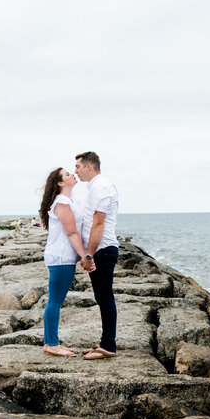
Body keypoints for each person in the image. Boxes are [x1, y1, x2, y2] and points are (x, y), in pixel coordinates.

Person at [38, 166, 90, 357]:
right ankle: (51, 343)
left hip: (62, 258)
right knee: (55, 302)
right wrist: (85, 256)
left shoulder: (67, 201)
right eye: (67, 174)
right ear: (60, 183)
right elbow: (71, 232)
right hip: (61, 258)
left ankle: (50, 342)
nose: (72, 174)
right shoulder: (62, 202)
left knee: (55, 301)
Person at [75, 150, 119, 359]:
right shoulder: (94, 187)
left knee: (105, 297)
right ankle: (104, 341)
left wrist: (89, 254)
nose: (76, 171)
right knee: (102, 297)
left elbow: (98, 223)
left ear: (89, 166)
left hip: (102, 250)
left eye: (78, 166)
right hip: (98, 250)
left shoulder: (101, 186)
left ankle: (109, 346)